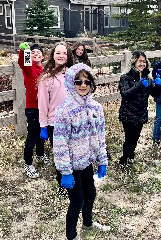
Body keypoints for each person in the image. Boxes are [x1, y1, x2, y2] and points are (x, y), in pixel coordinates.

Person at [53, 63, 110, 240]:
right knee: (77, 200)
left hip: (86, 162)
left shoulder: (96, 108)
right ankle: (71, 236)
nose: (83, 85)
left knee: (90, 194)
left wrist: (102, 160)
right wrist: (65, 172)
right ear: (71, 83)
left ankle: (88, 222)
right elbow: (60, 143)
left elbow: (100, 136)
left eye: (87, 81)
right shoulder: (64, 110)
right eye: (78, 81)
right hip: (70, 165)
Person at [118, 51, 161, 166]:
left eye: (144, 61)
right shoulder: (125, 77)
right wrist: (139, 86)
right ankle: (125, 160)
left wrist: (158, 86)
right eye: (140, 61)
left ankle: (130, 156)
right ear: (134, 62)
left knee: (136, 137)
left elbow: (155, 94)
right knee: (129, 138)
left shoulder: (147, 78)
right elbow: (125, 94)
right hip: (128, 113)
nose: (142, 64)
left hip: (141, 113)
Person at [18, 42, 47, 178]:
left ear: (43, 57)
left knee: (42, 133)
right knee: (32, 136)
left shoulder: (45, 70)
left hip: (44, 107)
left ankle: (40, 155)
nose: (36, 54)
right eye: (33, 52)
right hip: (32, 108)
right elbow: (23, 63)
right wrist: (25, 51)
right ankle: (28, 163)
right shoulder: (29, 68)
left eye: (38, 53)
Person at [38, 42, 74, 146]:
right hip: (55, 123)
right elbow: (43, 104)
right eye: (58, 53)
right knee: (61, 156)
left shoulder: (73, 74)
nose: (61, 56)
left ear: (68, 56)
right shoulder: (46, 78)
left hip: (73, 120)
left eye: (64, 53)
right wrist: (43, 125)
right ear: (53, 55)